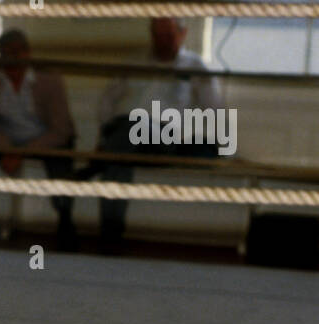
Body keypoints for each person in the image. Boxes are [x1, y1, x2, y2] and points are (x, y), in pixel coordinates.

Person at [93, 18, 223, 252]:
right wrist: (103, 136)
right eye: (157, 36)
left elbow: (214, 110)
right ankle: (110, 234)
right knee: (119, 159)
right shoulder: (134, 62)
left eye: (168, 36)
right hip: (125, 133)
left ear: (183, 34)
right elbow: (107, 100)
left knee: (127, 136)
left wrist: (214, 145)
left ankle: (107, 226)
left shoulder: (195, 66)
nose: (162, 42)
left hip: (164, 136)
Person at [0, 29, 77, 250]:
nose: (11, 59)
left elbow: (61, 129)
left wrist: (22, 151)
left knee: (62, 158)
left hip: (44, 139)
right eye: (5, 53)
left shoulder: (49, 79)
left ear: (27, 54)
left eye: (16, 53)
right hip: (4, 139)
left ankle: (65, 218)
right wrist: (6, 148)